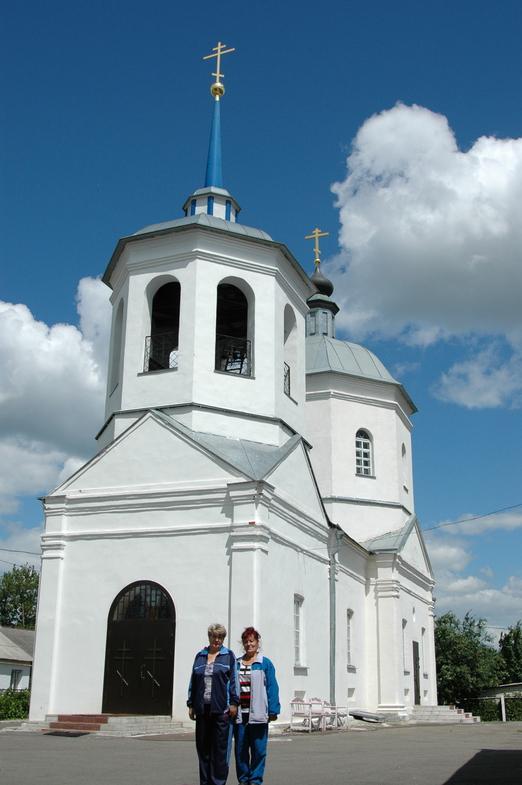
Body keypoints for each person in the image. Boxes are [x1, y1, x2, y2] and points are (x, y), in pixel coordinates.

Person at [187, 623, 240, 785]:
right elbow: (193, 681)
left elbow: (233, 681)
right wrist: (191, 704)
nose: (216, 640)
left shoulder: (228, 656)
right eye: (214, 636)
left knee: (219, 751)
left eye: (220, 637)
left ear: (223, 639)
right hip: (203, 710)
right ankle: (205, 782)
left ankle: (218, 782)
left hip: (221, 710)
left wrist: (234, 703)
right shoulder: (200, 656)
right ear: (209, 637)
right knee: (203, 750)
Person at [233, 627, 280, 785]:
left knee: (258, 750)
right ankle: (243, 779)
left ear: (257, 643)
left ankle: (255, 780)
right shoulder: (237, 663)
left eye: (252, 641)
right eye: (246, 641)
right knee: (240, 749)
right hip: (241, 714)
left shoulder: (264, 663)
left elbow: (272, 687)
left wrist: (273, 710)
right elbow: (231, 686)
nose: (249, 644)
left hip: (258, 714)